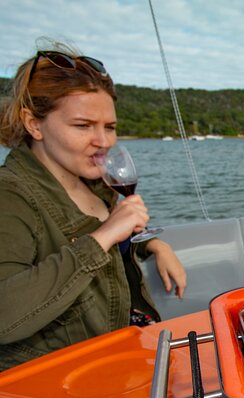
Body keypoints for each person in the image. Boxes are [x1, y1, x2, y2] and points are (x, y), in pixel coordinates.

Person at [0, 43, 187, 371]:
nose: (103, 141)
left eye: (110, 127)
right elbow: (6, 314)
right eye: (83, 126)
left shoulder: (97, 184)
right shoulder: (10, 194)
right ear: (33, 124)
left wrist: (153, 244)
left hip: (123, 348)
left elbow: (116, 240)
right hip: (62, 378)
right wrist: (103, 237)